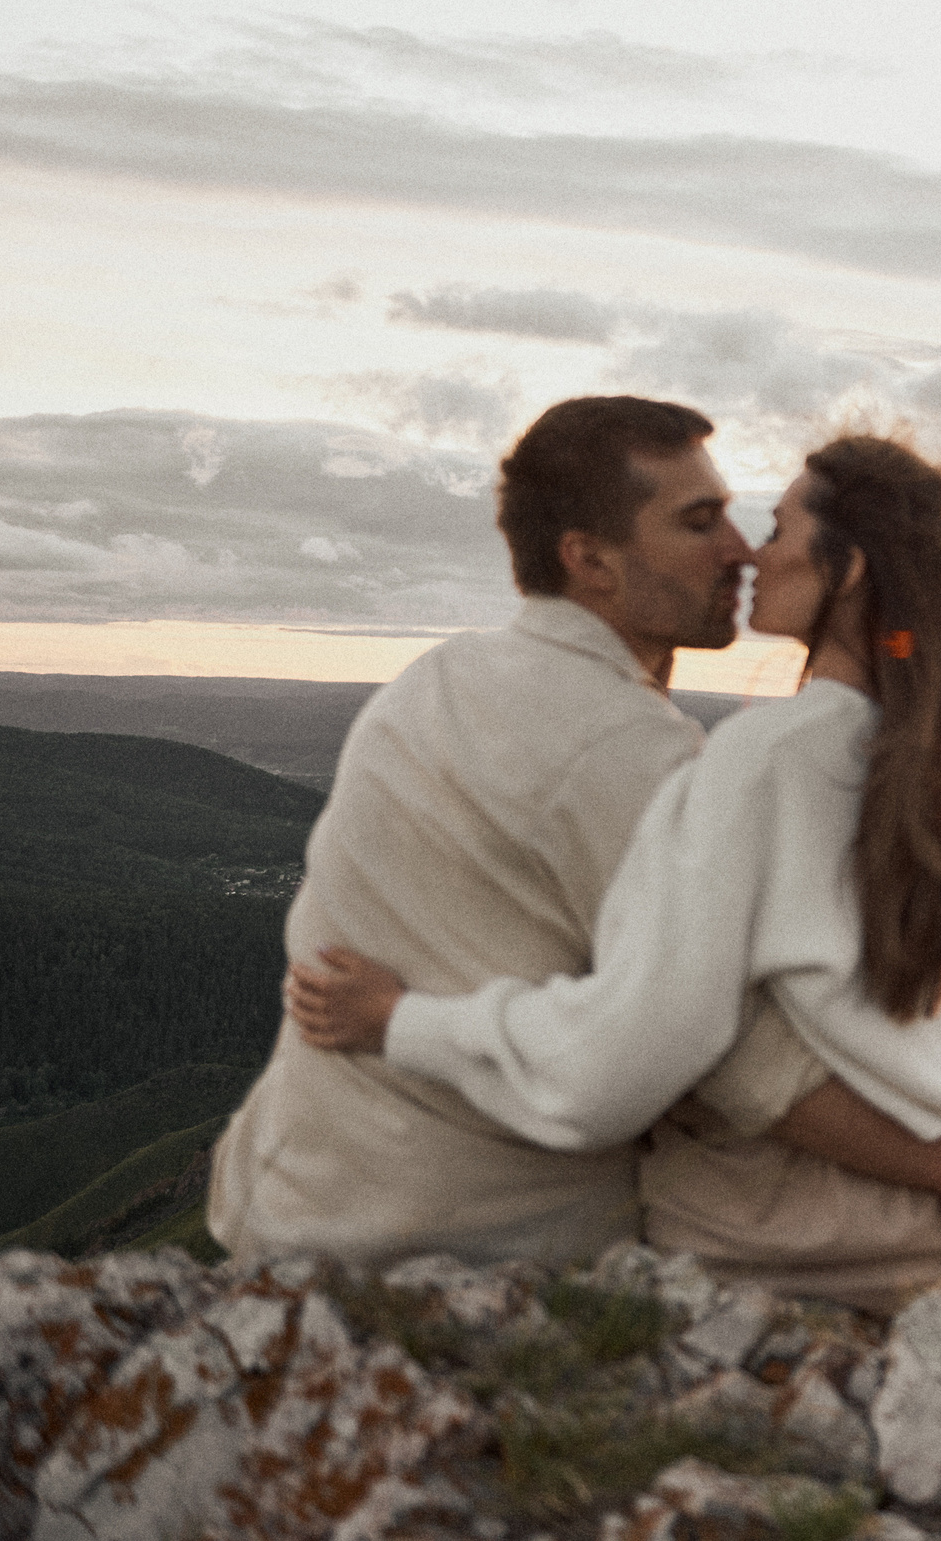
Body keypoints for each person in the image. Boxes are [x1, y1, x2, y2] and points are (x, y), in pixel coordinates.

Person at [286, 433, 941, 1352]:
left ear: (850, 565)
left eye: (782, 525)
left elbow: (635, 1046)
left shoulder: (761, 760)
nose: (752, 549)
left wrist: (401, 1019)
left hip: (777, 1224)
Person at [209, 395, 752, 1266]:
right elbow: (631, 1062)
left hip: (286, 1200)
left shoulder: (432, 679)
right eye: (702, 522)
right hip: (476, 1248)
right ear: (590, 560)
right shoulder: (635, 749)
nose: (741, 549)